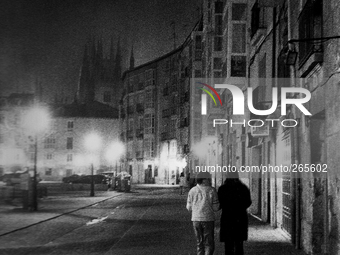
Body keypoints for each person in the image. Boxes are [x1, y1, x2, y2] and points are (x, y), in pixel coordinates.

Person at [218, 171, 252, 255]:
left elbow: (220, 203)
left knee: (228, 245)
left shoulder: (222, 188)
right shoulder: (243, 187)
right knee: (239, 244)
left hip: (227, 218)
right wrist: (241, 207)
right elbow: (248, 202)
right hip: (240, 218)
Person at [186, 172, 220, 255]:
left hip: (196, 220)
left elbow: (189, 207)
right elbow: (216, 208)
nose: (209, 180)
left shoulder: (192, 191)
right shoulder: (211, 190)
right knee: (209, 244)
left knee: (199, 243)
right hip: (208, 219)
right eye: (208, 178)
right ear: (204, 180)